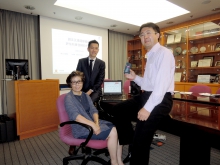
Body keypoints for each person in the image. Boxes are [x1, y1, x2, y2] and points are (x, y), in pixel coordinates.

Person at [111, 22, 175, 164]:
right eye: (142, 34)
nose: (144, 36)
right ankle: (130, 139)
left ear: (157, 35)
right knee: (118, 110)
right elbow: (148, 83)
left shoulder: (164, 54)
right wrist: (135, 78)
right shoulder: (150, 56)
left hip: (160, 99)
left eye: (148, 33)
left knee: (141, 142)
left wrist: (147, 109)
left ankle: (137, 140)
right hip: (147, 96)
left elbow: (161, 87)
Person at [64, 71, 124, 165]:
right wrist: (93, 125)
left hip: (92, 123)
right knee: (113, 132)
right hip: (81, 128)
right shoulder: (69, 98)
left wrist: (96, 123)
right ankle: (114, 162)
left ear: (82, 82)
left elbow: (93, 110)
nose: (77, 84)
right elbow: (75, 116)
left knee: (119, 128)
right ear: (70, 84)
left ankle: (119, 161)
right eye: (74, 82)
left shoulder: (84, 95)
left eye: (79, 81)